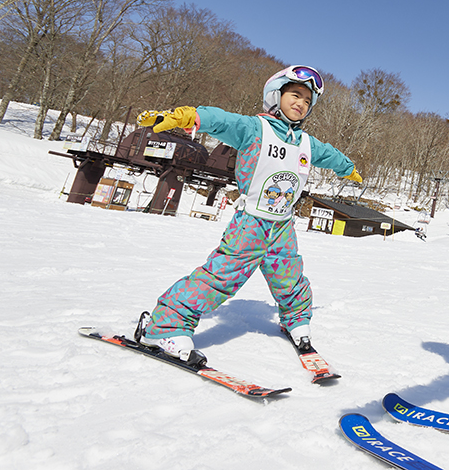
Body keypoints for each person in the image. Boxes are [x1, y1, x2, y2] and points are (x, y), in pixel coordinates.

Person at [134, 65, 362, 361]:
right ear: (275, 95)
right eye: (295, 95)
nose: (301, 104)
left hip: (282, 225)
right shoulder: (255, 128)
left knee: (289, 278)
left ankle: (296, 320)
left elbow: (329, 154)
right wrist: (188, 116)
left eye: (307, 101)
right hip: (251, 223)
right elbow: (221, 120)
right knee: (220, 278)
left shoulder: (306, 142)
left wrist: (348, 168)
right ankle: (164, 327)